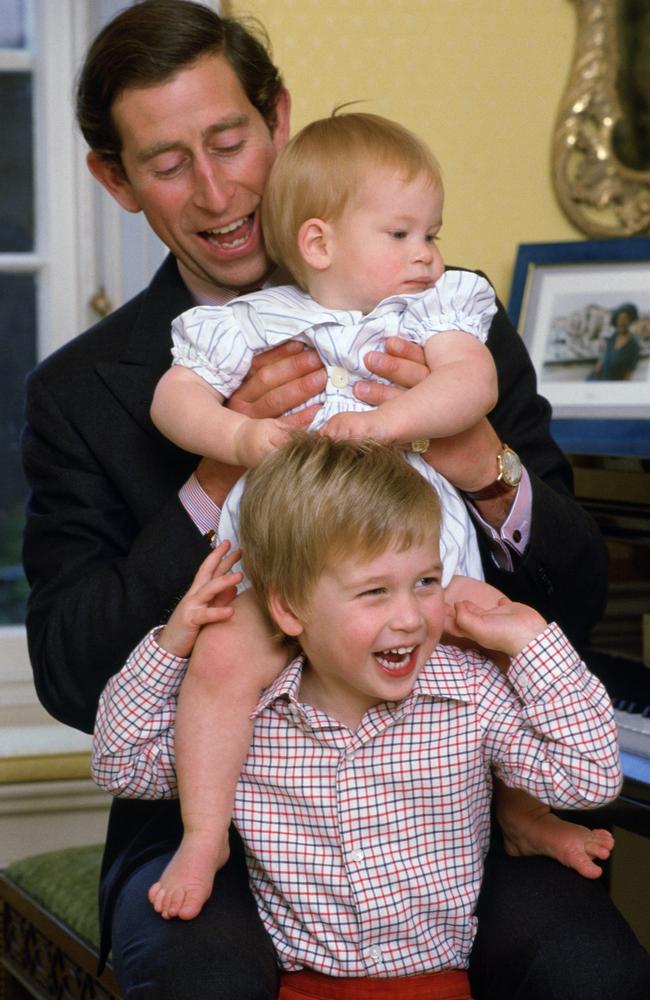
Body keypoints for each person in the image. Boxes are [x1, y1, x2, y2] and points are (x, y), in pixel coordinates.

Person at [19, 1, 650, 998]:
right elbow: (67, 672)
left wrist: (483, 465)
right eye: (169, 162)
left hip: (461, 794)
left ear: (277, 121)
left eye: (230, 141)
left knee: (589, 973)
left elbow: (570, 595)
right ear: (115, 179)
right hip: (229, 810)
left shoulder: (439, 310)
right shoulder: (85, 391)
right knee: (203, 982)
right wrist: (218, 474)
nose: (218, 190)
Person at [92, 434, 622, 1000]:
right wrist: (172, 644)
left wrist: (531, 639)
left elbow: (589, 776)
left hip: (440, 984)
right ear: (289, 609)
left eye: (425, 582)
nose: (410, 619)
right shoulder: (244, 722)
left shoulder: (467, 695)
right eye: (374, 591)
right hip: (298, 985)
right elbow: (120, 765)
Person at [148, 112, 500, 918]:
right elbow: (175, 397)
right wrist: (238, 434)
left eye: (433, 233)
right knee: (221, 666)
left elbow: (470, 386)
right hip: (283, 563)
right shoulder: (253, 322)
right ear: (318, 243)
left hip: (411, 558)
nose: (429, 254)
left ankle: (519, 810)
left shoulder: (435, 309)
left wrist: (385, 425)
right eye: (403, 233)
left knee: (487, 659)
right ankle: (205, 832)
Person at [587, 303, 642, 381]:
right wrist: (596, 371)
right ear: (616, 322)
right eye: (619, 319)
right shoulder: (614, 336)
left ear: (630, 320)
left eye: (625, 319)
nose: (621, 322)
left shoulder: (633, 346)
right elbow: (604, 357)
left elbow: (628, 375)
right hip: (596, 379)